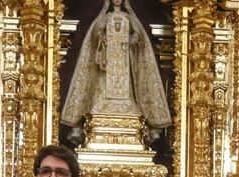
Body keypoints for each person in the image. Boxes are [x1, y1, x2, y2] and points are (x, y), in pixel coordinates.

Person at [61, 0, 172, 146]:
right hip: (107, 64)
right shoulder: (105, 18)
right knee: (102, 86)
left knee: (128, 89)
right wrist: (102, 37)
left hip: (125, 61)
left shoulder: (129, 18)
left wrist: (133, 40)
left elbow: (139, 35)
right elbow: (96, 34)